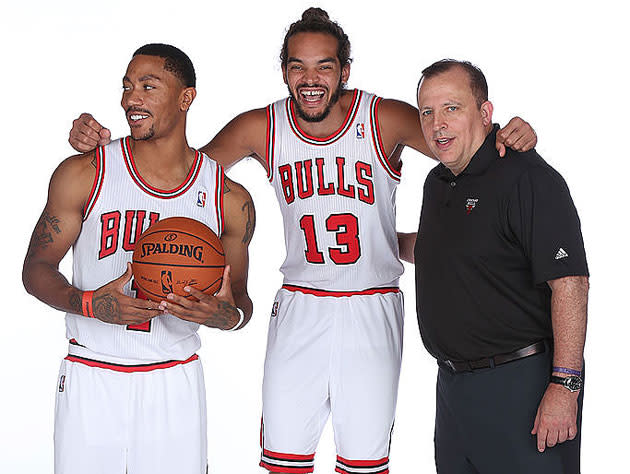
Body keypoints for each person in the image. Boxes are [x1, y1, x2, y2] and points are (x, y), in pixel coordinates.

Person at [66, 9, 537, 473]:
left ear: (344, 72)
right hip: (300, 305)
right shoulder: (262, 126)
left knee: (364, 464)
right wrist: (103, 147)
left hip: (370, 303)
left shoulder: (384, 117)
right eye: (298, 66)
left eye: (324, 66)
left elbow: (461, 147)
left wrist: (508, 137)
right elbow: (185, 178)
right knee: (284, 461)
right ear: (285, 72)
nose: (310, 78)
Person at [22, 43, 255, 474]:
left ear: (186, 98)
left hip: (175, 379)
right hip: (92, 373)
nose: (132, 99)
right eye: (128, 86)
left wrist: (224, 316)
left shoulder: (229, 198)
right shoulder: (85, 173)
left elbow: (239, 302)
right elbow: (35, 270)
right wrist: (91, 303)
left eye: (149, 86)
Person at [406, 59, 589, 473]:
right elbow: (447, 247)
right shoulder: (438, 182)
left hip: (521, 385)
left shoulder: (527, 178)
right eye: (427, 112)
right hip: (452, 390)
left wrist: (565, 386)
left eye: (452, 108)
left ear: (486, 114)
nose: (438, 124)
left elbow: (571, 284)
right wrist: (380, 243)